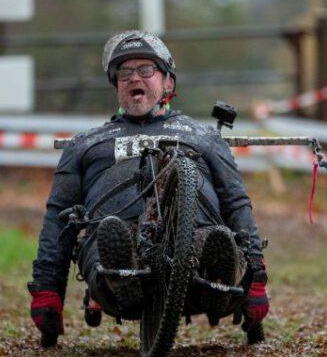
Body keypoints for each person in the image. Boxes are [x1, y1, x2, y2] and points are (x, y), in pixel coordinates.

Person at [27, 30, 269, 348]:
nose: (133, 78)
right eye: (125, 72)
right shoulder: (85, 143)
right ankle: (120, 274)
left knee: (215, 241)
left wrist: (257, 278)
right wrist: (47, 288)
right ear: (116, 85)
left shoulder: (203, 137)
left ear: (168, 82)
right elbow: (58, 216)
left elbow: (236, 204)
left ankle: (216, 274)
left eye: (145, 69)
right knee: (110, 238)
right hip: (112, 233)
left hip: (194, 237)